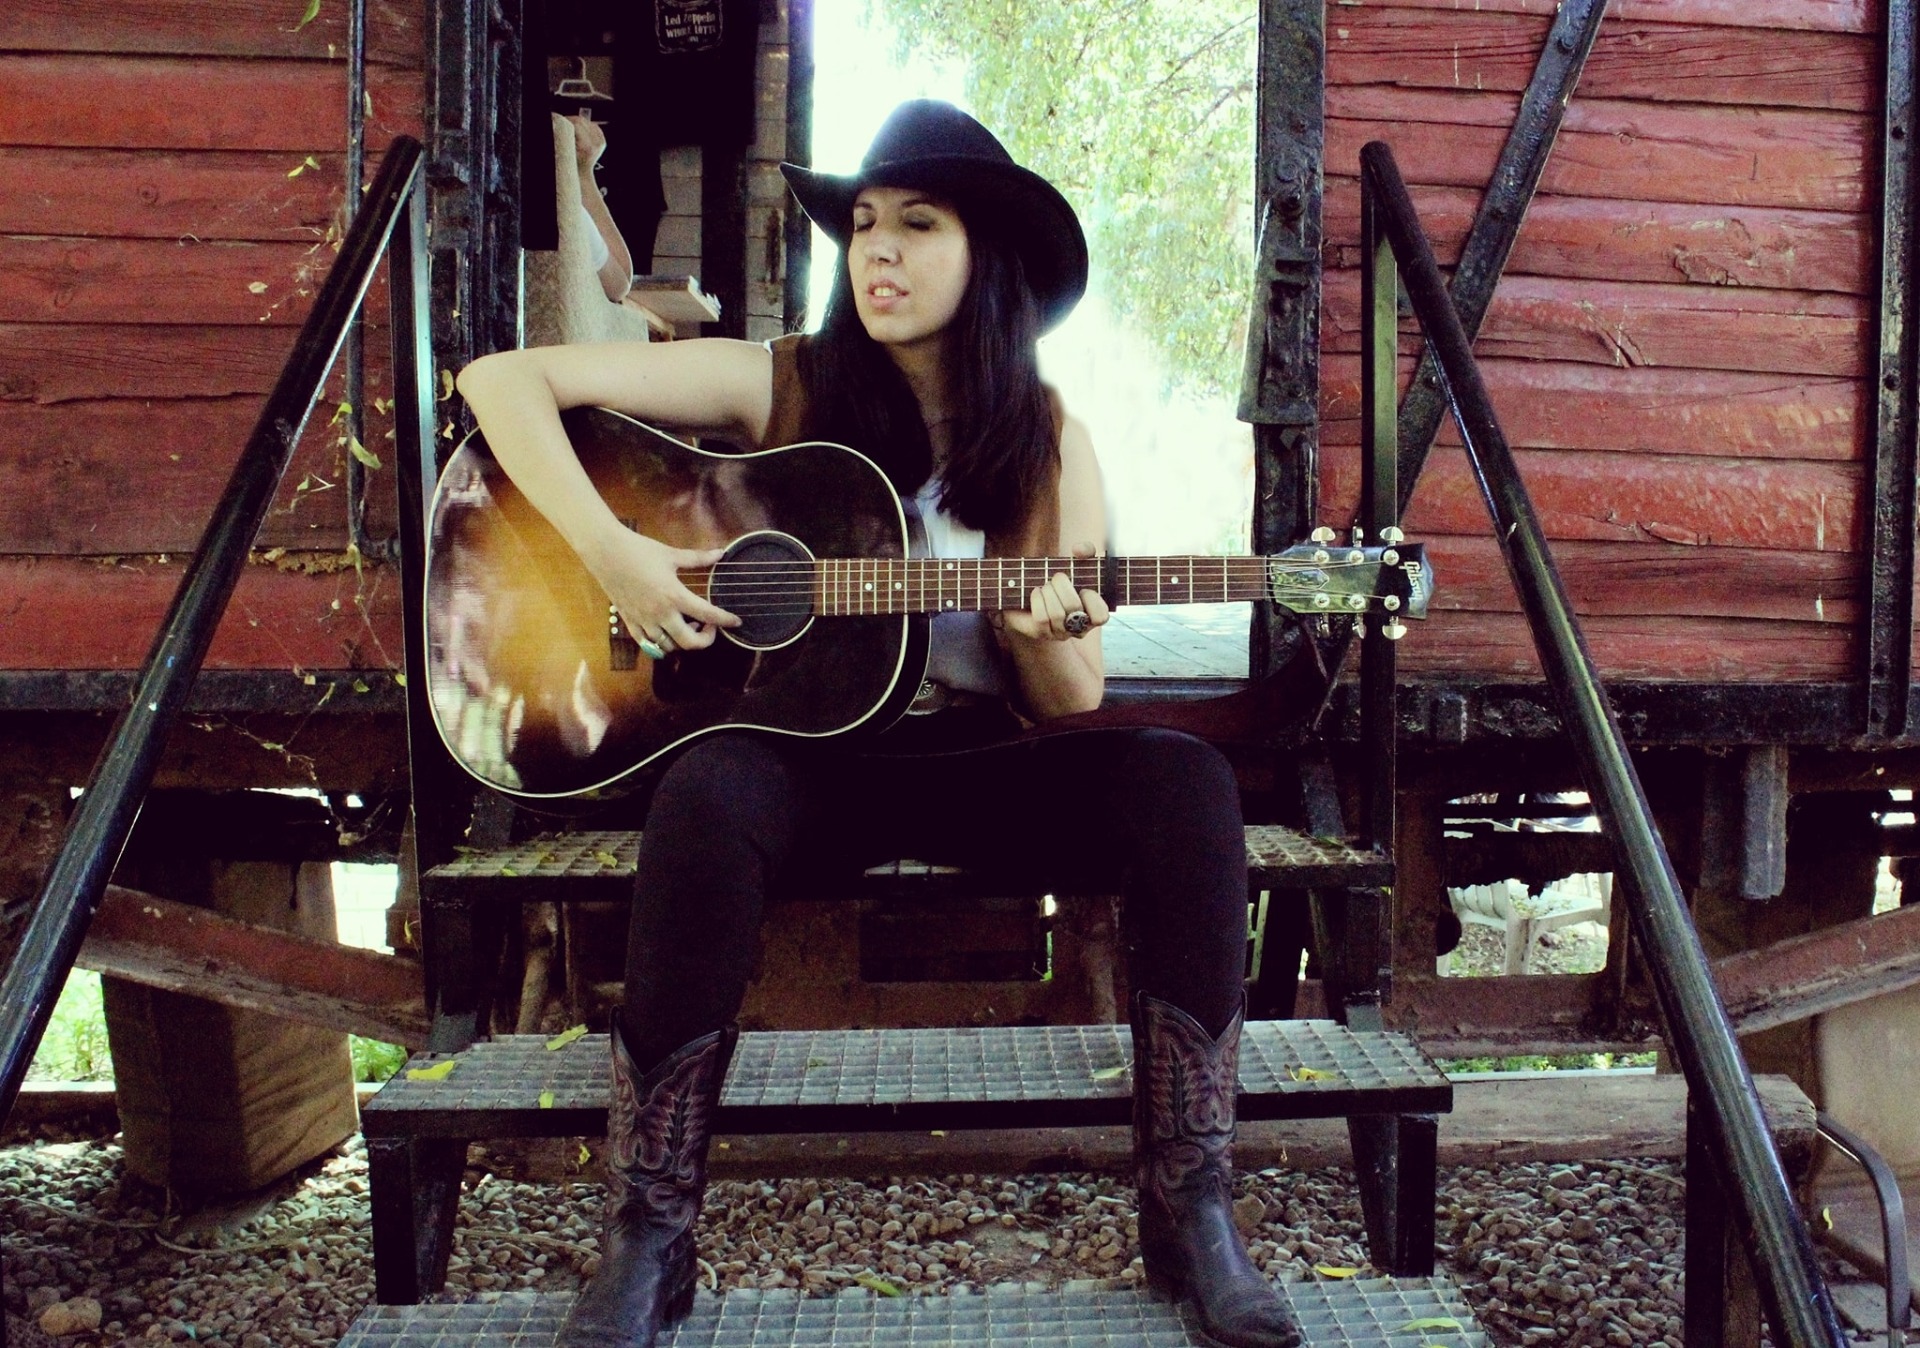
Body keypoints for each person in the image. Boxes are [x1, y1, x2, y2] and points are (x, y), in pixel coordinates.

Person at [455, 99, 1302, 1348]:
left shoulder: (1051, 439)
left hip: (979, 767)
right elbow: (499, 381)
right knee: (705, 794)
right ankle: (649, 1232)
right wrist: (617, 553)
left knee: (1185, 782)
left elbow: (1070, 703)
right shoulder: (781, 378)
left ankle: (1194, 1210)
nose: (878, 252)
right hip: (810, 763)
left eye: (917, 224)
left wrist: (1033, 627)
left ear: (988, 256)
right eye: (861, 225)